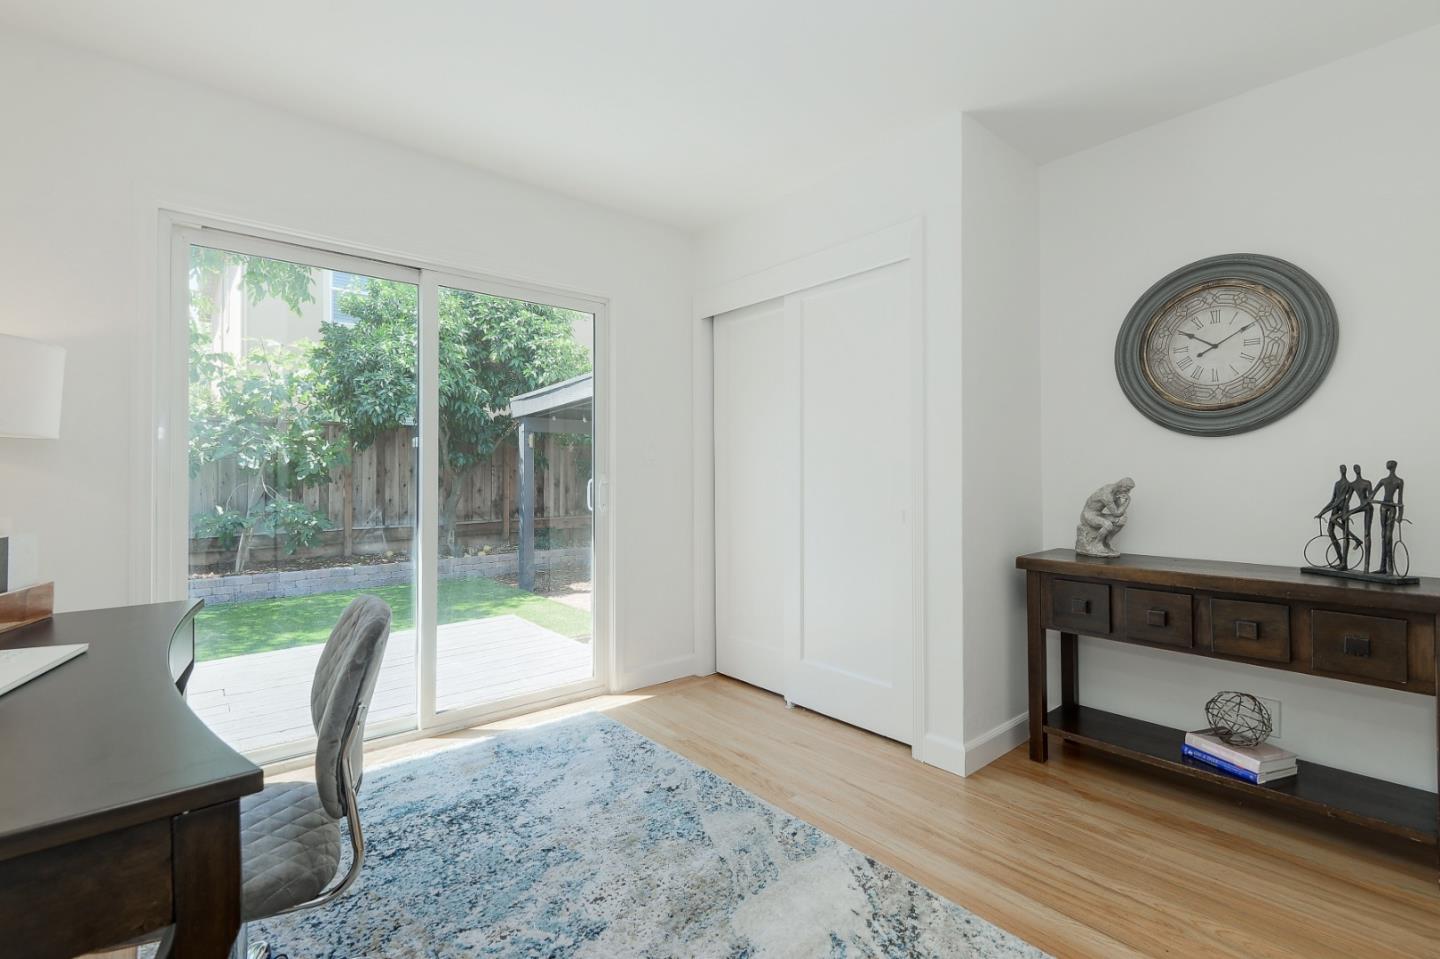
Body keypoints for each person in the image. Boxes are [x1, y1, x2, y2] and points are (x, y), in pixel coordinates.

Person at [1314, 464, 1358, 569]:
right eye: (1341, 469)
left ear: (1346, 470)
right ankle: (1341, 559)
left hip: (1343, 508)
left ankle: (1344, 563)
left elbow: (1343, 500)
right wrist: (1321, 512)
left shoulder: (1349, 484)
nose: (1342, 470)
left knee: (1345, 535)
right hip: (1335, 508)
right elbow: (1332, 500)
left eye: (1344, 469)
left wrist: (1324, 512)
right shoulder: (1337, 483)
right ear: (1340, 470)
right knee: (1330, 530)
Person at [1367, 460, 1405, 575]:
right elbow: (1371, 495)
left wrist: (1400, 515)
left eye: (1389, 464)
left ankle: (1390, 567)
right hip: (1383, 507)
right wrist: (1370, 499)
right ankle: (1383, 567)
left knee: (1388, 537)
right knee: (1383, 536)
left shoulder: (1399, 481)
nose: (1388, 465)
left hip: (1391, 508)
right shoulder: (1383, 481)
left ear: (1393, 466)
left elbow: (1399, 500)